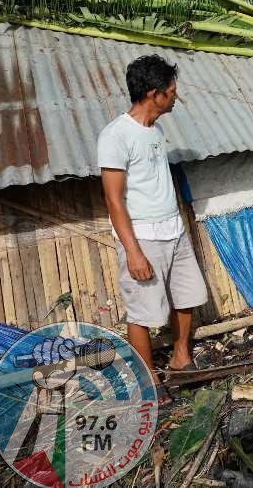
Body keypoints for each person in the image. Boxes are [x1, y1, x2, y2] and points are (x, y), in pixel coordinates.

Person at [97, 55, 207, 402]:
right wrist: (133, 251)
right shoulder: (115, 136)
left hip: (173, 230)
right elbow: (114, 201)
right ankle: (148, 382)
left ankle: (180, 358)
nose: (176, 96)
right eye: (172, 91)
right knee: (144, 313)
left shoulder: (156, 130)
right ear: (154, 93)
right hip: (143, 237)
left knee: (188, 297)